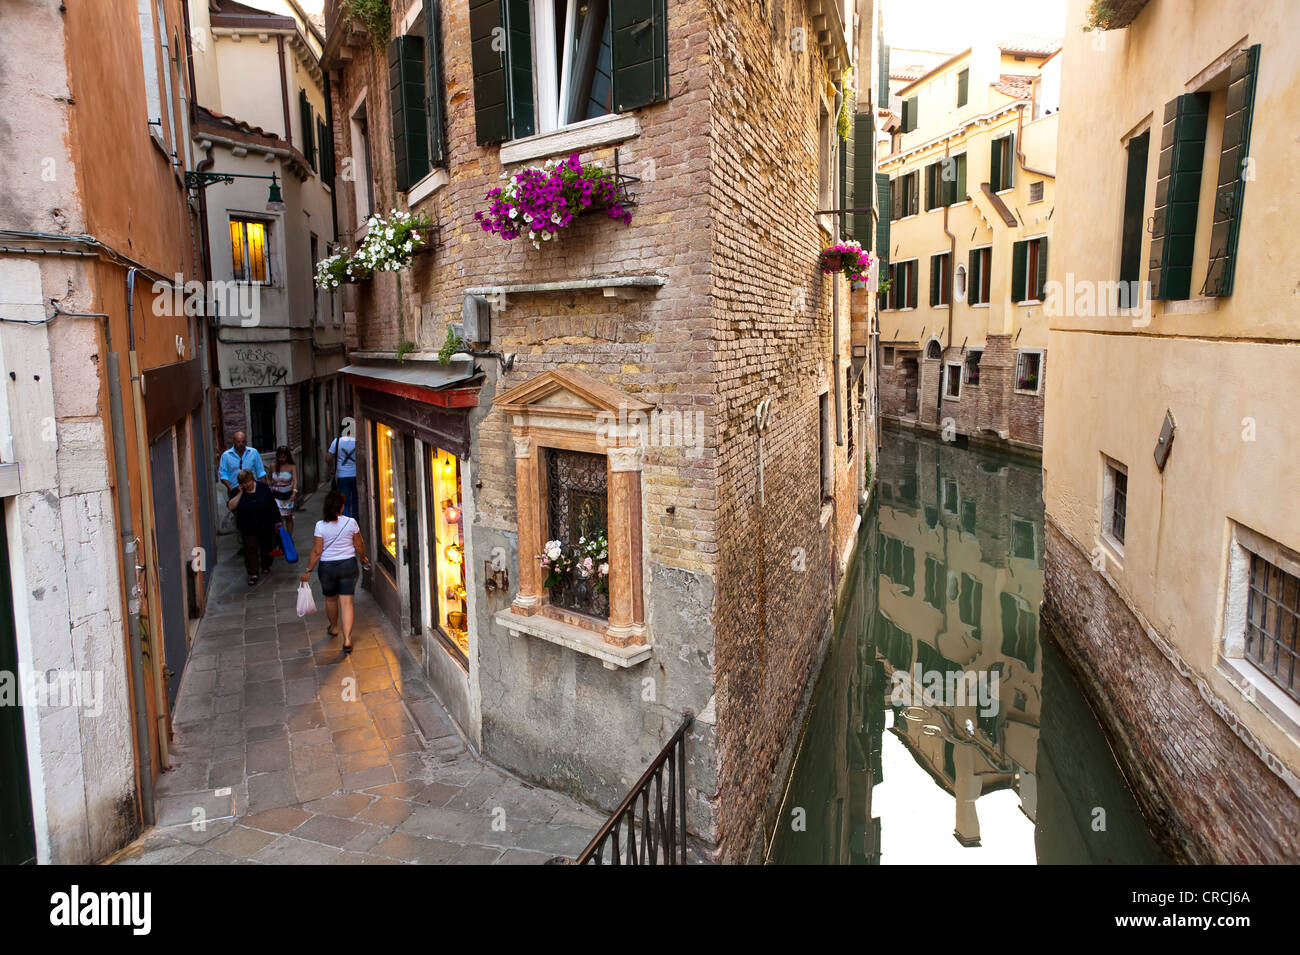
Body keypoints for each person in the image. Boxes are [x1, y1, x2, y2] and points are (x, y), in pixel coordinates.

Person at [301, 490, 370, 653]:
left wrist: (308, 570)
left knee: (331, 600)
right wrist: (363, 558)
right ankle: (347, 640)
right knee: (347, 603)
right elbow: (359, 544)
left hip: (327, 568)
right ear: (342, 507)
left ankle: (334, 627)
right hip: (348, 565)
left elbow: (317, 551)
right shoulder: (351, 522)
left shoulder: (320, 525)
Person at [227, 469, 279, 586]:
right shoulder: (237, 491)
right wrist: (240, 493)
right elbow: (230, 506)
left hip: (266, 524)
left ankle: (266, 565)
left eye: (247, 482)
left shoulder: (263, 487)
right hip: (247, 526)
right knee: (250, 549)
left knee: (266, 546)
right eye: (243, 483)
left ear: (252, 479)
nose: (246, 485)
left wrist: (277, 521)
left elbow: (272, 504)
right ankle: (253, 573)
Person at [327, 431, 359, 518]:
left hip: (342, 475)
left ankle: (346, 523)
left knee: (344, 501)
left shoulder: (337, 441)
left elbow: (328, 458)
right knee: (356, 501)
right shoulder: (357, 440)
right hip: (356, 474)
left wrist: (332, 469)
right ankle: (355, 523)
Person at [270, 446, 297, 535]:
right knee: (279, 518)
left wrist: (294, 492)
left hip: (287, 495)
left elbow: (295, 480)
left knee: (288, 517)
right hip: (276, 495)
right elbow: (269, 479)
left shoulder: (291, 466)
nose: (281, 459)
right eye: (279, 457)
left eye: (283, 457)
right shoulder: (273, 466)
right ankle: (282, 537)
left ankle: (289, 536)